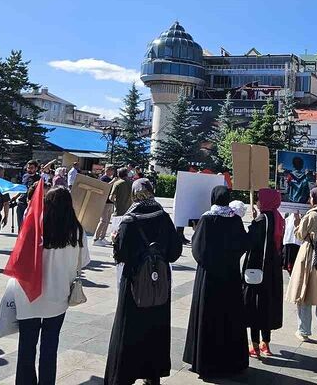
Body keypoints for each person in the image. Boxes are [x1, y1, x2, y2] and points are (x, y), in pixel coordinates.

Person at [104, 179, 183, 385]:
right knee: (155, 329)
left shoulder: (129, 220)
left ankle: (124, 374)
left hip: (134, 284)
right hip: (158, 283)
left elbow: (121, 254)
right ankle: (152, 375)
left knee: (130, 328)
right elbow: (175, 252)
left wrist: (115, 239)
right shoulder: (164, 217)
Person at [13, 187, 89, 385]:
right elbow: (84, 261)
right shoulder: (77, 230)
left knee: (26, 346)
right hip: (58, 295)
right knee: (50, 346)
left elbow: (19, 256)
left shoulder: (34, 224)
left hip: (29, 293)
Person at [183, 186, 249, 378]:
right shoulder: (235, 219)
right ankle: (230, 362)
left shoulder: (207, 219)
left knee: (208, 315)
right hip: (229, 276)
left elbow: (198, 249)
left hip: (209, 277)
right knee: (229, 317)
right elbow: (243, 244)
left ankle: (206, 361)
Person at [287, 186, 317, 342]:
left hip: (310, 255)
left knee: (304, 293)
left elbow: (300, 235)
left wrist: (296, 223)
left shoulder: (312, 214)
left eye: (311, 196)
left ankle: (304, 330)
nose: (309, 199)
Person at [243, 188, 284, 358]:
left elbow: (250, 242)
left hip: (258, 270)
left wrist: (253, 222)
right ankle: (266, 344)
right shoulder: (278, 218)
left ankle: (254, 346)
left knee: (255, 306)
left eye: (260, 199)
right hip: (273, 270)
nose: (258, 201)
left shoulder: (262, 220)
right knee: (267, 306)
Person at [94, 165, 116, 245]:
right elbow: (104, 188)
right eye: (112, 170)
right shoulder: (103, 178)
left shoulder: (109, 179)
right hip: (105, 202)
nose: (113, 172)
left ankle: (102, 238)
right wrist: (113, 182)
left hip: (110, 202)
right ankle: (96, 239)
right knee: (103, 220)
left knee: (107, 221)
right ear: (108, 171)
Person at [14, 160, 39, 230]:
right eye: (28, 168)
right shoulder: (25, 176)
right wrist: (15, 197)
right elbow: (22, 188)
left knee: (28, 226)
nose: (29, 169)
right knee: (20, 225)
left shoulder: (39, 178)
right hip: (21, 203)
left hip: (31, 205)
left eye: (31, 168)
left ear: (36, 168)